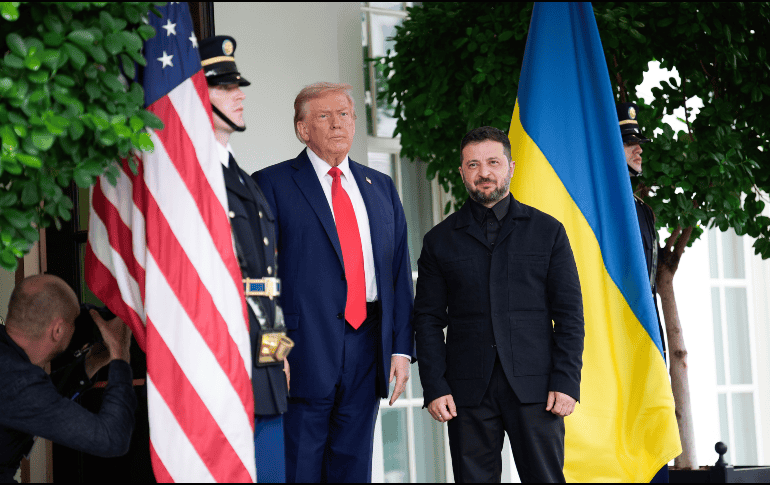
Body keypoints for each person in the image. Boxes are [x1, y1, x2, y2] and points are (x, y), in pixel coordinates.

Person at [253, 82, 414, 483]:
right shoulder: (270, 184)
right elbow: (258, 278)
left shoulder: (382, 188)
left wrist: (400, 350)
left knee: (353, 467)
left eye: (344, 114)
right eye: (324, 116)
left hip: (368, 346)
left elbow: (398, 274)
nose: (337, 123)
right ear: (302, 129)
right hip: (300, 351)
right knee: (299, 469)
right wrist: (273, 353)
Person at [413, 126, 585, 483]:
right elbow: (428, 320)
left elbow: (569, 315)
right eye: (473, 165)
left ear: (511, 167)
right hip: (465, 392)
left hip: (538, 391)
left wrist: (566, 381)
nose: (484, 172)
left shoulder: (548, 231)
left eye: (493, 162)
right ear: (461, 172)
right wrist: (435, 385)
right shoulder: (439, 241)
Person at [200, 36, 290, 483]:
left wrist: (280, 351)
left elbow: (265, 282)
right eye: (224, 86)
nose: (240, 94)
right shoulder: (195, 178)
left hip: (264, 365)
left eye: (239, 85)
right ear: (197, 97)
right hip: (224, 363)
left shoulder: (240, 176)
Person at [0, 275, 136, 483]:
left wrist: (90, 364)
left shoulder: (11, 369)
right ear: (58, 330)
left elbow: (35, 399)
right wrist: (120, 356)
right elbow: (112, 438)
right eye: (74, 323)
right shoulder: (19, 384)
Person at [616, 103, 669, 484]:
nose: (639, 150)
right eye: (628, 143)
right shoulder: (603, 211)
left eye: (639, 143)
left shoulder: (641, 210)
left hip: (645, 327)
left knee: (652, 426)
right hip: (617, 332)